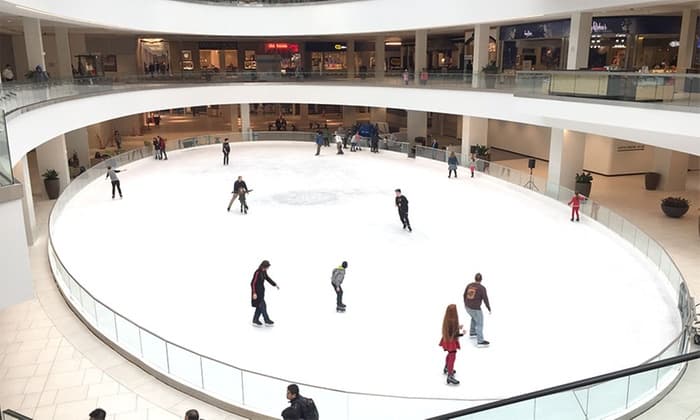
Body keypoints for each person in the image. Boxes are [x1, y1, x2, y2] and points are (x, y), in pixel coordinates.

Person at [463, 273, 491, 347]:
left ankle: (472, 333)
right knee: (480, 323)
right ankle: (480, 341)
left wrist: (466, 303)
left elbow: (464, 295)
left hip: (467, 307)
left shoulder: (469, 285)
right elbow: (485, 299)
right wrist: (489, 308)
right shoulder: (482, 288)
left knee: (474, 317)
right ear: (481, 279)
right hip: (475, 308)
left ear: (474, 278)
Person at [440, 304, 464, 385]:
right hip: (451, 341)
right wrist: (462, 334)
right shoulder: (453, 320)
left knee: (450, 354)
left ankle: (447, 368)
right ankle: (450, 375)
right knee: (452, 356)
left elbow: (451, 331)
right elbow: (454, 334)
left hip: (446, 340)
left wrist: (457, 328)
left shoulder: (447, 319)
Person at [251, 260, 279, 326]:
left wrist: (275, 284)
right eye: (267, 267)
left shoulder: (264, 272)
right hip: (257, 293)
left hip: (262, 292)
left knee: (259, 306)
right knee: (263, 306)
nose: (267, 268)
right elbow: (252, 283)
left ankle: (255, 320)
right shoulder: (257, 272)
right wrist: (254, 293)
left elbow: (268, 278)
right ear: (263, 266)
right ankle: (266, 320)